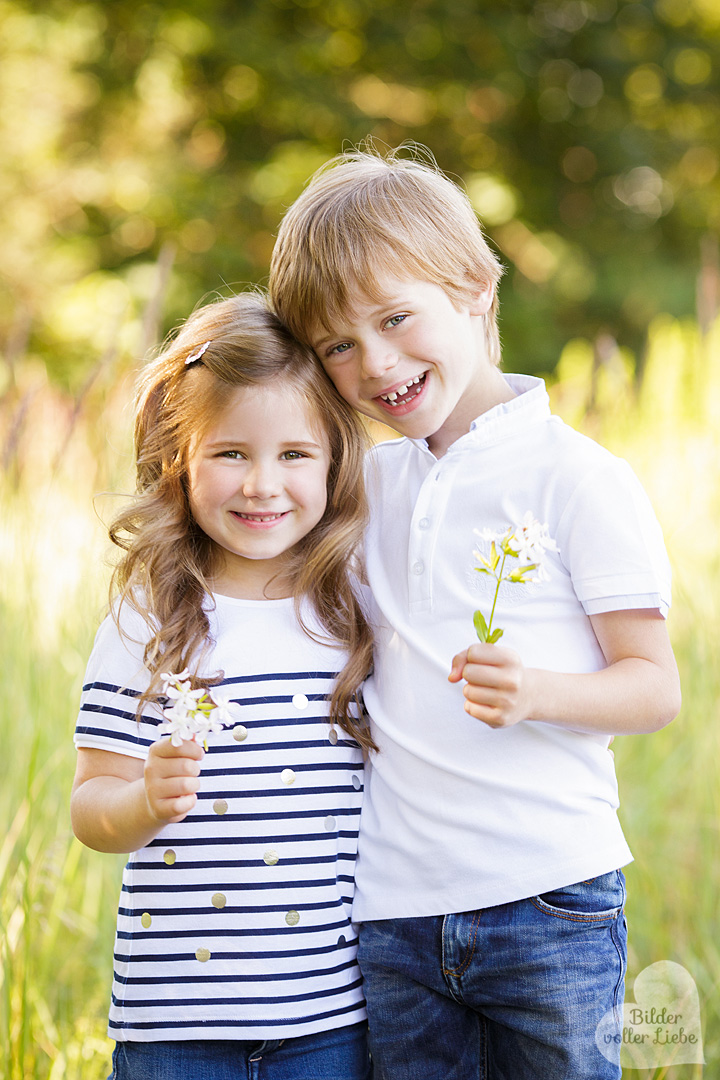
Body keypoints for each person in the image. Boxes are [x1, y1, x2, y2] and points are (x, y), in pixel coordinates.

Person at [268, 145, 682, 1080]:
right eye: (337, 345)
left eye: (397, 318)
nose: (375, 362)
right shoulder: (361, 485)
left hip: (547, 896)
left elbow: (654, 689)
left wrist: (537, 690)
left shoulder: (579, 479)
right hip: (393, 911)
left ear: (475, 289)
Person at [70, 291, 375, 1080]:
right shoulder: (151, 620)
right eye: (231, 453)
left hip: (330, 1019)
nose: (262, 484)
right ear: (180, 457)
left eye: (294, 455)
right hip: (176, 1024)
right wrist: (142, 801)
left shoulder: (354, 611)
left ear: (336, 458)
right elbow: (90, 807)